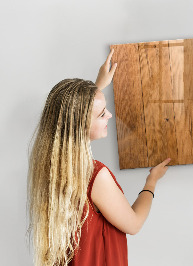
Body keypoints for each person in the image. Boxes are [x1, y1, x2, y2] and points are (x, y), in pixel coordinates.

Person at [27, 50, 171, 266]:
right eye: (102, 113)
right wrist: (152, 181)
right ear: (82, 124)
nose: (110, 116)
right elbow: (134, 224)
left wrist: (97, 86)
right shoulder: (95, 176)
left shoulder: (50, 164)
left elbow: (73, 114)